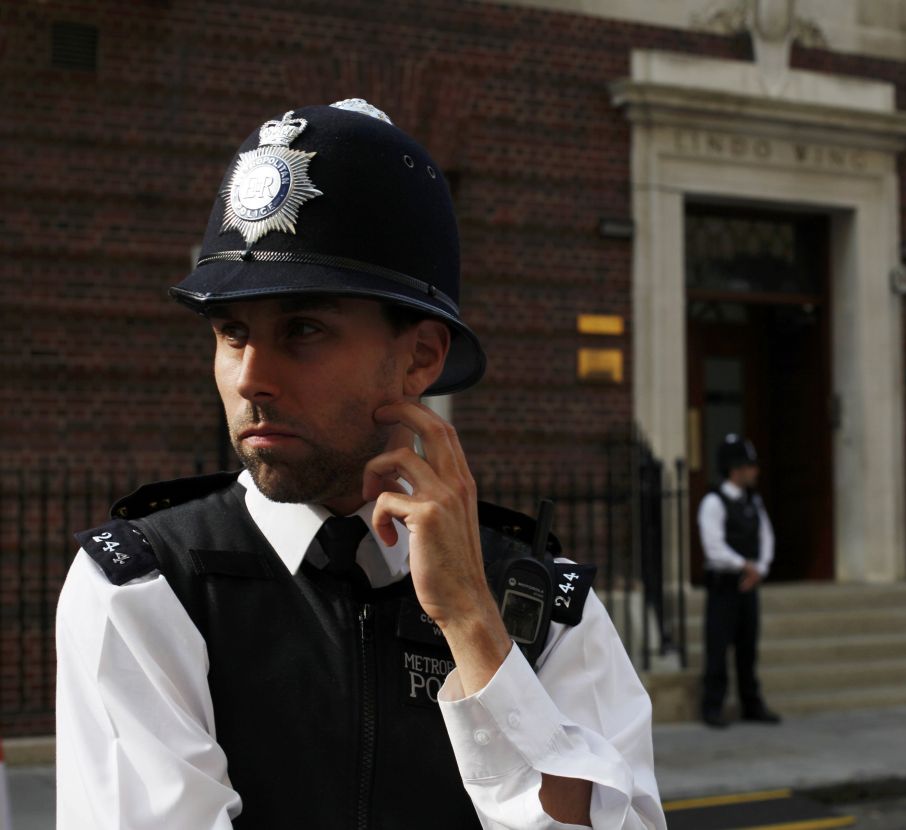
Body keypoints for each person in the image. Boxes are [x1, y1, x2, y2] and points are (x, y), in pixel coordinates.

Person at [56, 99, 666, 829]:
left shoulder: (545, 610)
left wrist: (474, 623)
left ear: (420, 358)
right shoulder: (144, 588)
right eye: (231, 332)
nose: (250, 376)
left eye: (304, 329)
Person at [696, 434, 781, 728]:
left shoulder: (753, 502)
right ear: (735, 469)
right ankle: (712, 705)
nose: (755, 471)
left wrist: (760, 569)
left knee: (748, 647)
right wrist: (744, 565)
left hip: (749, 585)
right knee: (718, 648)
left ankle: (751, 702)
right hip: (724, 586)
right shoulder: (713, 502)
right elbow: (714, 547)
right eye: (750, 465)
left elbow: (766, 537)